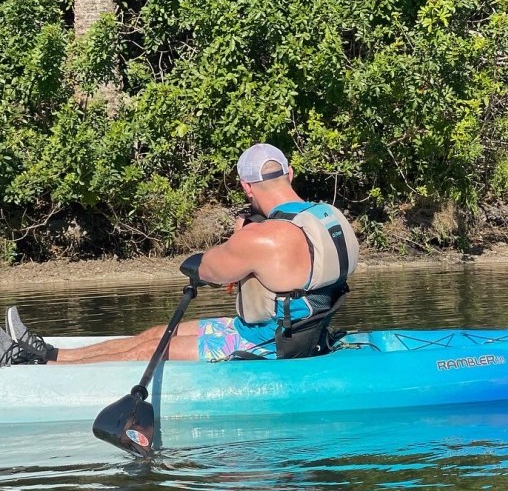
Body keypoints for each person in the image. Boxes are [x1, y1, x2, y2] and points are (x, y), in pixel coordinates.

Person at [0, 143, 359, 366]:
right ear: (290, 173)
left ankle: (43, 365)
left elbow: (207, 270)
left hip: (267, 345)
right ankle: (54, 353)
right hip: (291, 329)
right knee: (154, 333)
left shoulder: (260, 238)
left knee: (148, 352)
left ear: (245, 186)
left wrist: (238, 236)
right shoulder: (328, 217)